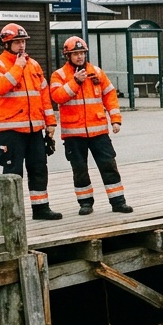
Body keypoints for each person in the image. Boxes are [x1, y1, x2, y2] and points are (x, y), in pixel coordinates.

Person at [0, 23, 62, 220]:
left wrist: (50, 123)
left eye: (23, 41)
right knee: (13, 172)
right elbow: (0, 87)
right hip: (11, 130)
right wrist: (17, 67)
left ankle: (41, 208)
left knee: (39, 168)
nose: (22, 45)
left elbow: (44, 96)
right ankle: (11, 214)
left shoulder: (34, 65)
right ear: (6, 44)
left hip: (35, 129)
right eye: (17, 42)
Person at [48, 36, 131, 215]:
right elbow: (57, 97)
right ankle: (85, 203)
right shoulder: (59, 75)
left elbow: (110, 95)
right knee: (80, 170)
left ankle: (118, 202)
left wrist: (115, 119)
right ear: (67, 56)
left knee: (109, 165)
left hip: (99, 131)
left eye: (82, 53)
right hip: (73, 134)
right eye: (75, 54)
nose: (79, 56)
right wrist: (75, 82)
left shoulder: (97, 72)